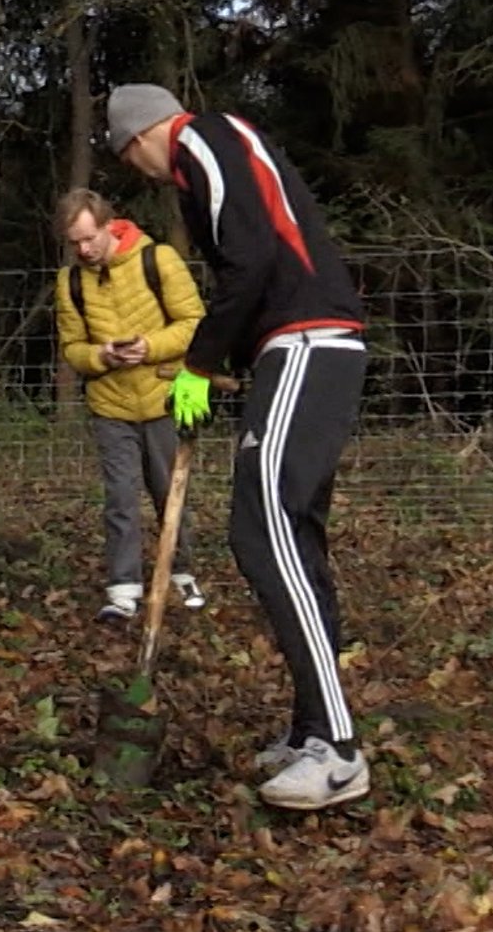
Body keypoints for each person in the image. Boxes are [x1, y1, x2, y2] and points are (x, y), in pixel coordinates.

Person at [107, 83, 369, 812]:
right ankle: (314, 727)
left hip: (308, 341)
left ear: (141, 137)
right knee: (294, 539)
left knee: (263, 531)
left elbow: (251, 262)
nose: (140, 171)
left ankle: (341, 753)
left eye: (130, 155)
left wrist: (195, 362)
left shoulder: (204, 141)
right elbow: (245, 265)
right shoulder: (209, 160)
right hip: (292, 347)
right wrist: (222, 359)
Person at [53, 188, 207, 623]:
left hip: (164, 395)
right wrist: (101, 356)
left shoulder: (158, 260)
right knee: (120, 498)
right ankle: (123, 589)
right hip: (110, 404)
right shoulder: (71, 283)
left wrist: (149, 347)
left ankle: (180, 573)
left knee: (169, 492)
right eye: (74, 243)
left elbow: (194, 323)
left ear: (108, 225)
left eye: (89, 239)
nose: (83, 249)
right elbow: (72, 347)